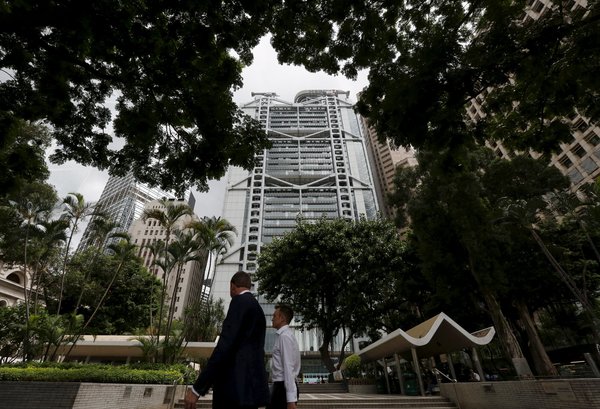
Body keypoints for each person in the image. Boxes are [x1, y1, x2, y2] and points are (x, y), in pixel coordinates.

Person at [184, 271, 270, 409]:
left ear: (232, 286)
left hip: (233, 390)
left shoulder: (238, 302)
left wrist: (197, 388)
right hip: (251, 392)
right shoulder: (258, 309)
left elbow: (225, 347)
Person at [267, 304, 301, 409]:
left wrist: (290, 400)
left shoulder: (284, 337)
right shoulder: (284, 335)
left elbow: (288, 368)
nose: (272, 319)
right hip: (280, 387)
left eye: (274, 316)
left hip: (282, 389)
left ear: (282, 318)